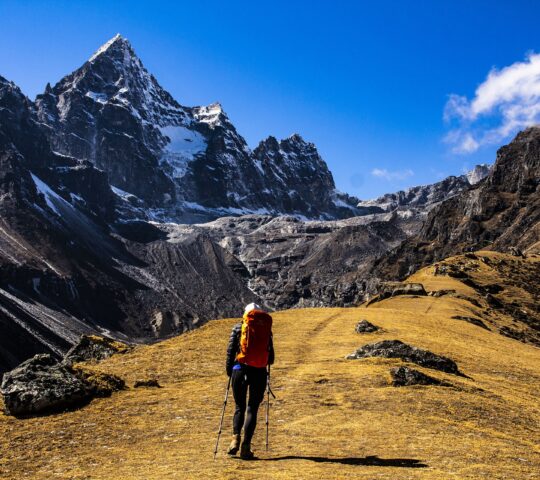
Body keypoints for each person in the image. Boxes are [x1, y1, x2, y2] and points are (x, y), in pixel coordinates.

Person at [225, 302, 274, 459]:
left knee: (240, 406)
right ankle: (246, 447)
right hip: (259, 373)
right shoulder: (266, 330)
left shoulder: (238, 328)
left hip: (239, 369)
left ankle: (235, 440)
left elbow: (230, 352)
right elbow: (271, 358)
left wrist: (230, 372)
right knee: (252, 408)